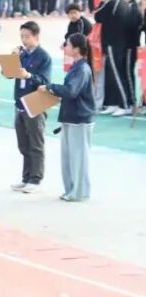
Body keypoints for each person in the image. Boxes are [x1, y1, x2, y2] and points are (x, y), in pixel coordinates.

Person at [39, 33, 96, 202]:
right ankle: (71, 190)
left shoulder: (82, 69)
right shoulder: (77, 67)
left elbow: (71, 91)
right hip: (71, 116)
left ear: (76, 49)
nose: (64, 47)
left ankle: (79, 192)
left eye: (67, 44)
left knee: (78, 158)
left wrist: (50, 87)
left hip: (80, 118)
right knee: (69, 157)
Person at [9, 21, 51, 194]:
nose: (24, 40)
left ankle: (36, 179)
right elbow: (8, 74)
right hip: (20, 102)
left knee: (36, 143)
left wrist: (29, 75)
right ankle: (26, 177)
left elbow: (45, 81)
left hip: (36, 101)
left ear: (36, 37)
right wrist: (12, 58)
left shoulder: (43, 56)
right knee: (23, 144)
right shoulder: (22, 54)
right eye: (22, 36)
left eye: (27, 36)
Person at [93, 0, 141, 116]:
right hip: (124, 45)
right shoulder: (126, 4)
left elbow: (97, 16)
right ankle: (116, 103)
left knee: (118, 75)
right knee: (118, 74)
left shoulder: (111, 3)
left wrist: (103, 0)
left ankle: (125, 104)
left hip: (114, 44)